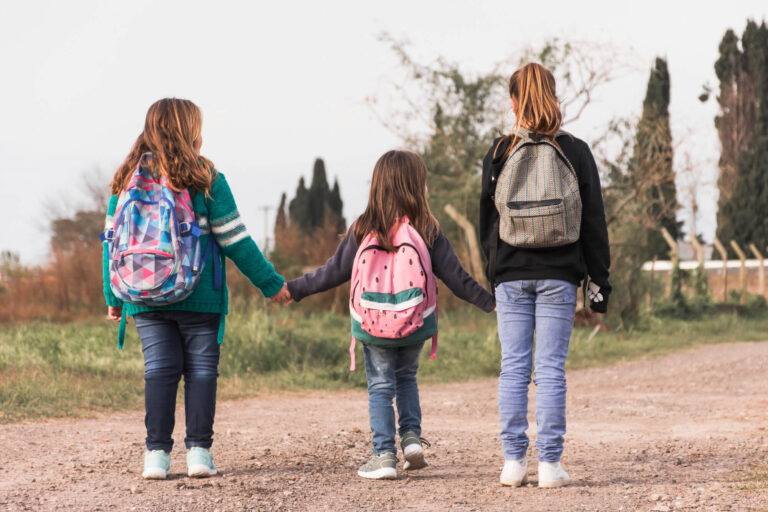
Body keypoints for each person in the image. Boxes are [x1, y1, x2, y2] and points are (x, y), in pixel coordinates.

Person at [102, 98, 290, 480]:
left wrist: (113, 296)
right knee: (202, 370)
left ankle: (155, 456)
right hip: (199, 294)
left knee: (158, 370)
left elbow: (110, 242)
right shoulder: (206, 178)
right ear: (193, 134)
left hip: (141, 295)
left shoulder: (125, 180)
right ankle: (199, 454)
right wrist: (272, 284)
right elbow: (235, 240)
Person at [278, 150, 495, 480]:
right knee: (406, 377)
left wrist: (294, 289)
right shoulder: (427, 228)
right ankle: (410, 440)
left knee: (380, 386)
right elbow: (456, 278)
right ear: (416, 185)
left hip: (372, 324)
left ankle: (383, 456)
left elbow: (332, 272)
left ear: (378, 185)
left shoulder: (363, 227)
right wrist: (491, 303)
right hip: (415, 322)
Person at [479, 63, 611, 488]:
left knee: (513, 368)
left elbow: (487, 223)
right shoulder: (575, 151)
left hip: (511, 276)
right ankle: (550, 466)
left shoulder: (499, 152)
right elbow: (594, 224)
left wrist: (493, 273)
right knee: (551, 369)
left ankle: (514, 463)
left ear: (514, 102)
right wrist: (599, 282)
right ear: (553, 96)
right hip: (559, 274)